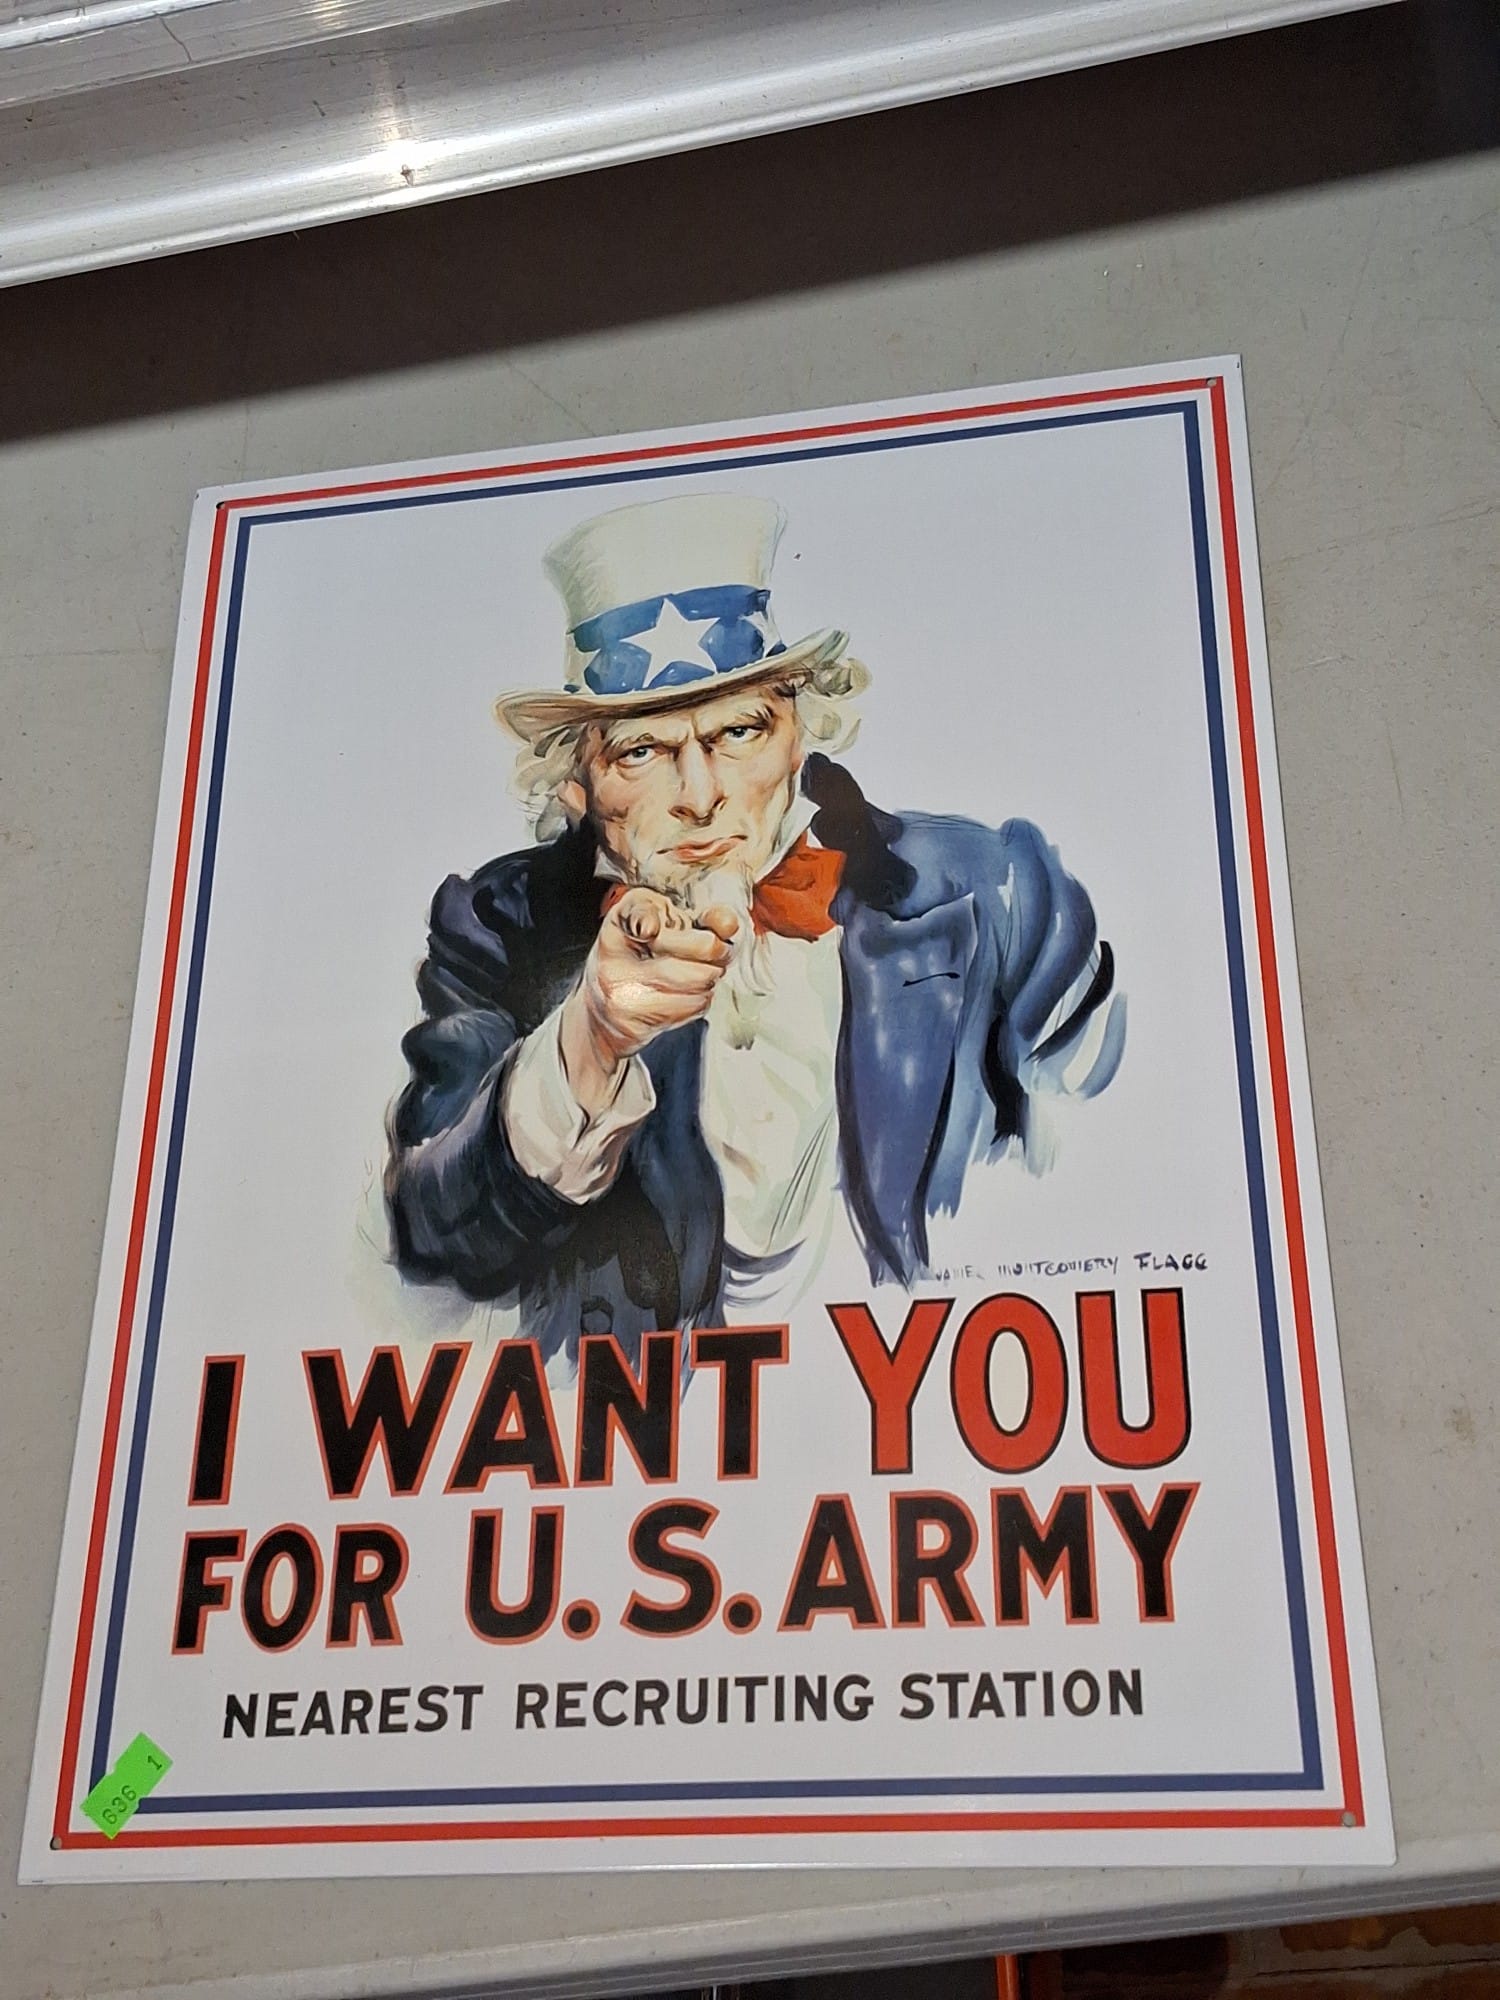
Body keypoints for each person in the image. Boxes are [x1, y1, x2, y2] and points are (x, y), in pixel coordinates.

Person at [386, 493, 1124, 1364]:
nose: (700, 796)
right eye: (640, 751)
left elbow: (1109, 1176)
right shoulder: (499, 924)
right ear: (576, 783)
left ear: (803, 733)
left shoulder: (993, 889)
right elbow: (434, 1232)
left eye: (739, 731)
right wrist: (590, 1039)